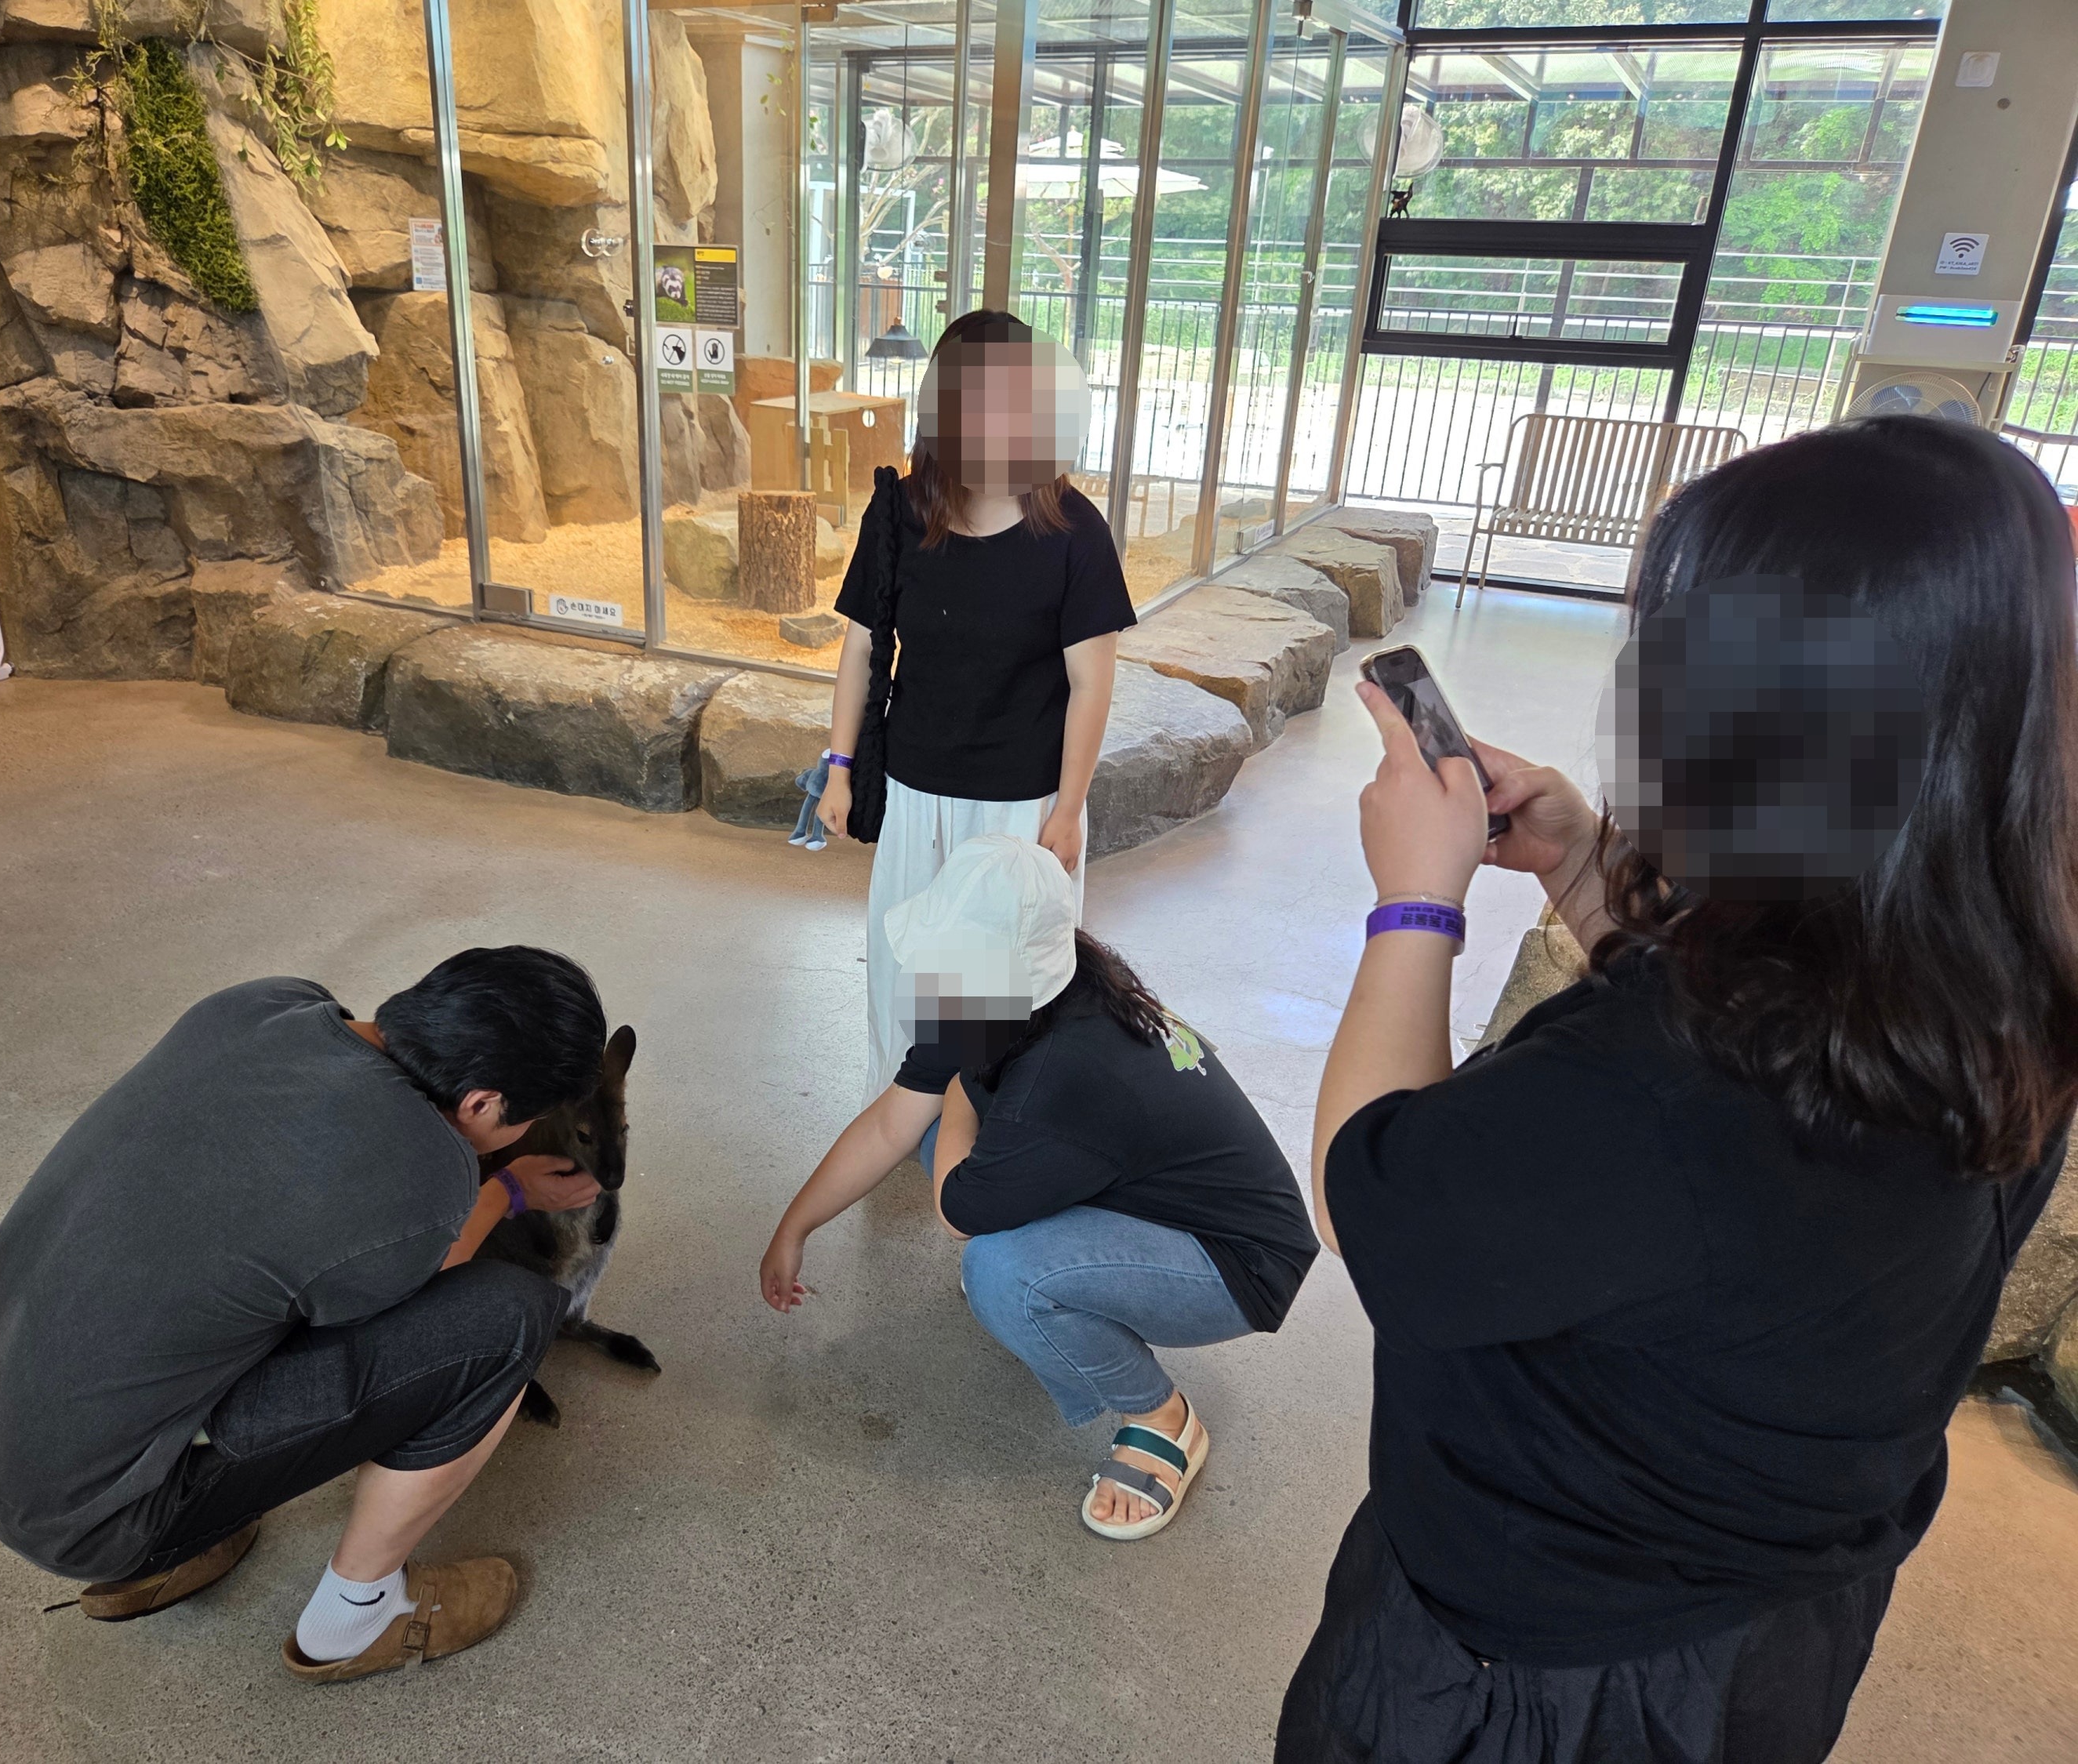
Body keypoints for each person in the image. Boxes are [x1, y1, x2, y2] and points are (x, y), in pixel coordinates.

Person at [1278, 416, 2078, 1762]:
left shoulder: (1650, 1088)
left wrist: (1416, 903)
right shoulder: (1996, 964)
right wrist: (1580, 863)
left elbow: (1374, 1198)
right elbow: (1754, 1075)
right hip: (1763, 1620)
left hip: (1543, 1666)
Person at [0, 948, 613, 1683]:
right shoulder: (423, 1173)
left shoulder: (266, 1004)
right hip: (99, 1518)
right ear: (484, 1104)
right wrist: (506, 1191)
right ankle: (358, 1616)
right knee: (505, 1322)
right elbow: (421, 1296)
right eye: (531, 1120)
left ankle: (195, 1535)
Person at [760, 835, 1317, 1538]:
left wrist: (961, 1086)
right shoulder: (1041, 982)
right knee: (931, 1134)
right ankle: (1058, 1284)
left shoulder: (1065, 1069)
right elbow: (889, 1125)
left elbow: (957, 1214)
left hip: (1236, 1264)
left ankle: (1162, 1419)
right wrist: (794, 1227)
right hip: (1154, 1195)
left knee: (1002, 1270)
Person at [814, 309, 1137, 1102]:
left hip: (1023, 803)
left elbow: (1092, 683)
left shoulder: (1075, 532)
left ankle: (997, 1123)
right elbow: (862, 648)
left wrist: (1069, 809)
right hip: (917, 788)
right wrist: (839, 767)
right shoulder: (899, 512)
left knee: (1007, 984)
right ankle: (898, 1114)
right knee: (906, 963)